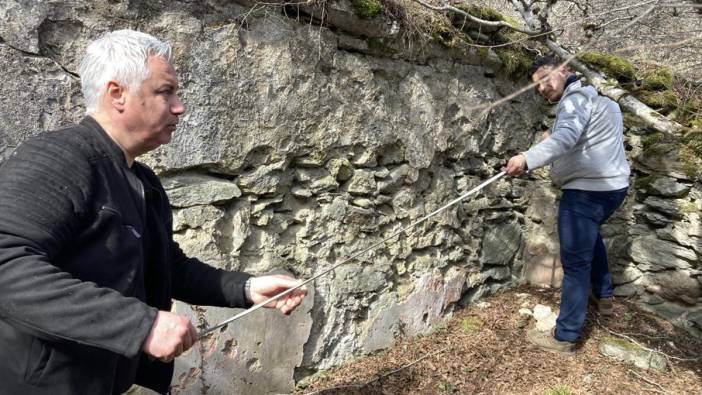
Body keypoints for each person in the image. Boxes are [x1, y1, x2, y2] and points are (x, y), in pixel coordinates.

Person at [0, 29, 307, 394]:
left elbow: (168, 268)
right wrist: (139, 325)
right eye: (165, 91)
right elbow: (7, 265)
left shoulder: (142, 180)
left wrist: (248, 288)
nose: (180, 106)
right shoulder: (59, 158)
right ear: (117, 94)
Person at [504, 56, 630, 354]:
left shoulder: (574, 101)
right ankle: (605, 297)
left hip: (585, 193)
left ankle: (566, 336)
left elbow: (567, 138)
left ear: (565, 70)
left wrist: (527, 158)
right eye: (536, 86)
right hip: (614, 190)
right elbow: (586, 137)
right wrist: (557, 134)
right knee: (591, 239)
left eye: (545, 79)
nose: (542, 89)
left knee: (575, 264)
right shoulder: (603, 102)